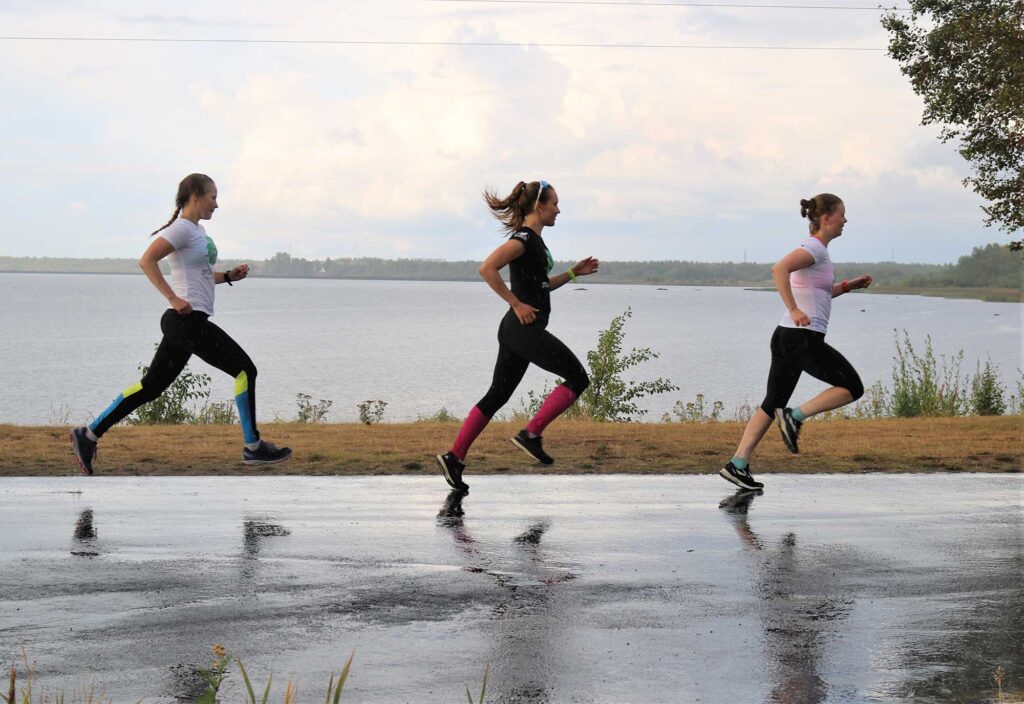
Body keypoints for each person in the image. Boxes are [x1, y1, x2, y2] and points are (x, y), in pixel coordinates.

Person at [69, 173, 291, 475]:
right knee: (244, 370)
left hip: (186, 322)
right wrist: (173, 298)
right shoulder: (182, 229)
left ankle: (89, 434)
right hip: (186, 321)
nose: (217, 203)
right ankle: (253, 447)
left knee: (150, 388)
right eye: (213, 196)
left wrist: (226, 277)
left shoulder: (196, 231)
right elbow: (147, 260)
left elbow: (199, 275)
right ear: (196, 196)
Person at [436, 180, 599, 492]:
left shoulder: (535, 241)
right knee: (578, 378)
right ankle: (531, 434)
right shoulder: (523, 239)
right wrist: (516, 303)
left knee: (497, 395)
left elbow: (541, 285)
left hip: (518, 331)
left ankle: (454, 457)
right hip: (522, 329)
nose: (558, 209)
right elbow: (487, 268)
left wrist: (575, 273)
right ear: (539, 206)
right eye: (554, 204)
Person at [719, 193, 871, 490]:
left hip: (786, 336)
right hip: (801, 337)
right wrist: (794, 309)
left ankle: (737, 464)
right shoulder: (814, 248)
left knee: (771, 402)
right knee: (852, 387)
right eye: (842, 215)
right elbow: (779, 270)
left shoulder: (818, 252)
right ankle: (794, 417)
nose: (845, 221)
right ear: (827, 218)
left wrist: (849, 286)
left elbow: (819, 292)